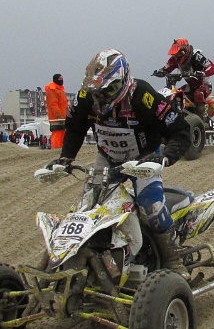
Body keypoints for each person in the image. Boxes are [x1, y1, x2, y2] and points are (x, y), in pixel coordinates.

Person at [50, 49, 192, 270]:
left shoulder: (143, 96)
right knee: (88, 208)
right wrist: (66, 158)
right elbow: (75, 128)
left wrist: (165, 157)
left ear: (124, 80)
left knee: (151, 208)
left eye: (109, 90)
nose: (102, 98)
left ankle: (173, 260)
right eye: (97, 92)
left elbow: (180, 129)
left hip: (143, 159)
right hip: (107, 158)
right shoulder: (85, 97)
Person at [152, 38, 214, 121]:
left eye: (179, 53)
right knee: (177, 94)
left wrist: (202, 73)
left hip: (204, 84)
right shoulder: (174, 59)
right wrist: (160, 72)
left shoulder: (197, 56)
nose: (177, 56)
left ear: (185, 50)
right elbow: (166, 68)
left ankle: (203, 118)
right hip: (190, 86)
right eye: (175, 54)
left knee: (198, 94)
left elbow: (212, 68)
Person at [45, 74, 68, 149]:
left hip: (63, 117)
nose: (61, 80)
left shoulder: (60, 90)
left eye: (62, 78)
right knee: (57, 134)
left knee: (62, 133)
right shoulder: (52, 90)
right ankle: (55, 149)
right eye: (59, 78)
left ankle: (60, 148)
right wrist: (59, 116)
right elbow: (53, 105)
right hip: (56, 118)